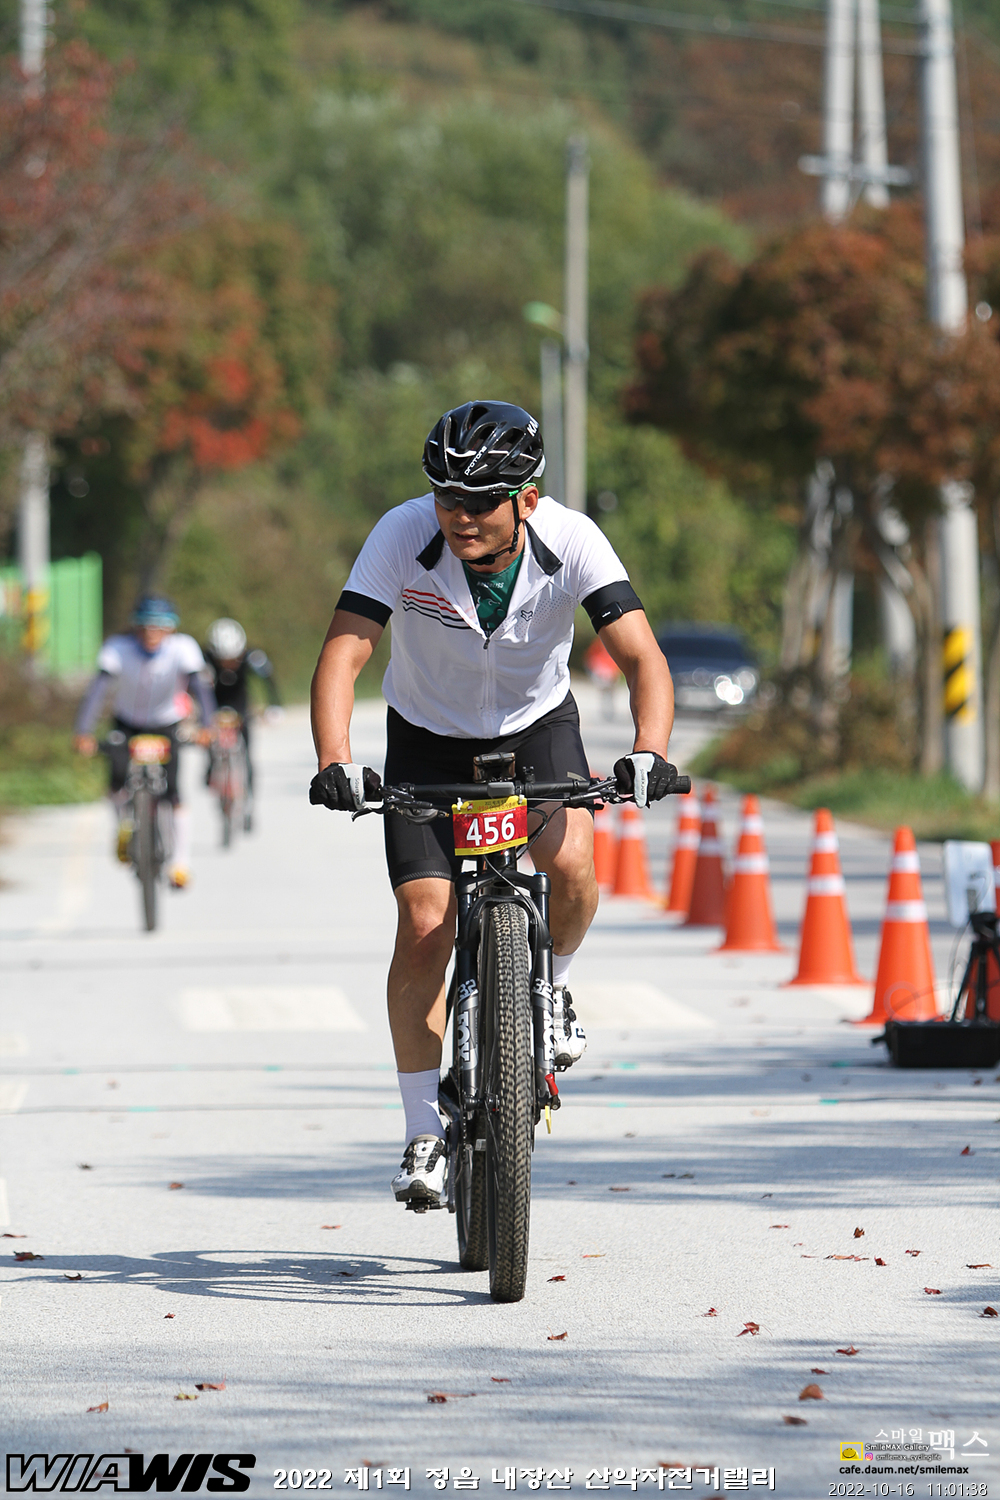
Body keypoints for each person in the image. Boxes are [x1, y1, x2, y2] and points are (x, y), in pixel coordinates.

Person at [309, 400, 675, 1207]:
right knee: (424, 924)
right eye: (448, 496)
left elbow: (642, 657)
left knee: (571, 862)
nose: (461, 515)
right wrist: (335, 760)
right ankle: (421, 1131)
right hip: (426, 738)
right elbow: (344, 653)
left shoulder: (572, 540)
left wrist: (649, 750)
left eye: (481, 501)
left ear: (528, 500)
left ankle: (555, 987)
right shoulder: (402, 535)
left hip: (536, 729)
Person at [73, 595, 216, 889]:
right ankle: (123, 828)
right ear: (135, 627)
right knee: (116, 781)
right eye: (146, 626)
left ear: (171, 628)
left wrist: (207, 726)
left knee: (173, 791)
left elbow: (200, 688)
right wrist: (84, 731)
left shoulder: (183, 648)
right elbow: (97, 691)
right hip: (127, 722)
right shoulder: (117, 649)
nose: (152, 633)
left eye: (160, 627)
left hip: (166, 722)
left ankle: (180, 862)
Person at [202, 618, 282, 795]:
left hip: (240, 704)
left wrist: (274, 706)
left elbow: (268, 680)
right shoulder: (203, 658)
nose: (227, 664)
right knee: (209, 737)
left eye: (233, 659)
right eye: (222, 659)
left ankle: (249, 791)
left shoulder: (253, 657)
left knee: (246, 748)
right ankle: (211, 767)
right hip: (215, 704)